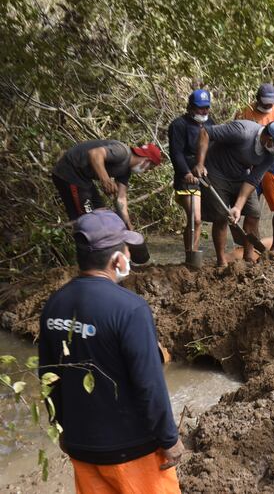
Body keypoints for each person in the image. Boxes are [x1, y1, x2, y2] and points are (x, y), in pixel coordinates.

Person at [38, 210, 183, 493]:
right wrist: (169, 439)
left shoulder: (54, 305)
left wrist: (62, 429)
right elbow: (149, 384)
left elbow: (47, 376)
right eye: (127, 250)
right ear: (117, 259)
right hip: (132, 451)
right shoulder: (130, 309)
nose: (128, 256)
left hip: (82, 447)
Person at [193, 119, 274, 266]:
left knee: (254, 212)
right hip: (216, 172)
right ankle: (221, 261)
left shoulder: (272, 154)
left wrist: (238, 207)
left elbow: (253, 179)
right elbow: (205, 132)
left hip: (241, 175)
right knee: (221, 216)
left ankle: (249, 257)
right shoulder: (242, 131)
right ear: (268, 138)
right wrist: (200, 163)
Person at [52, 141, 163, 229]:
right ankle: (87, 251)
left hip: (84, 179)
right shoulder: (122, 151)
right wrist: (105, 180)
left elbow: (121, 198)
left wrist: (127, 224)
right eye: (150, 168)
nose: (147, 171)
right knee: (87, 221)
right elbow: (95, 154)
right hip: (70, 173)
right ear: (147, 161)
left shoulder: (126, 172)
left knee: (101, 211)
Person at [168, 89, 215, 257]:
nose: (203, 112)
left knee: (207, 218)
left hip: (206, 177)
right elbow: (176, 153)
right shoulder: (178, 125)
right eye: (199, 108)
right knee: (195, 218)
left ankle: (193, 252)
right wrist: (186, 172)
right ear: (190, 107)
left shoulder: (210, 124)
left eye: (206, 108)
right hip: (187, 178)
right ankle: (191, 254)